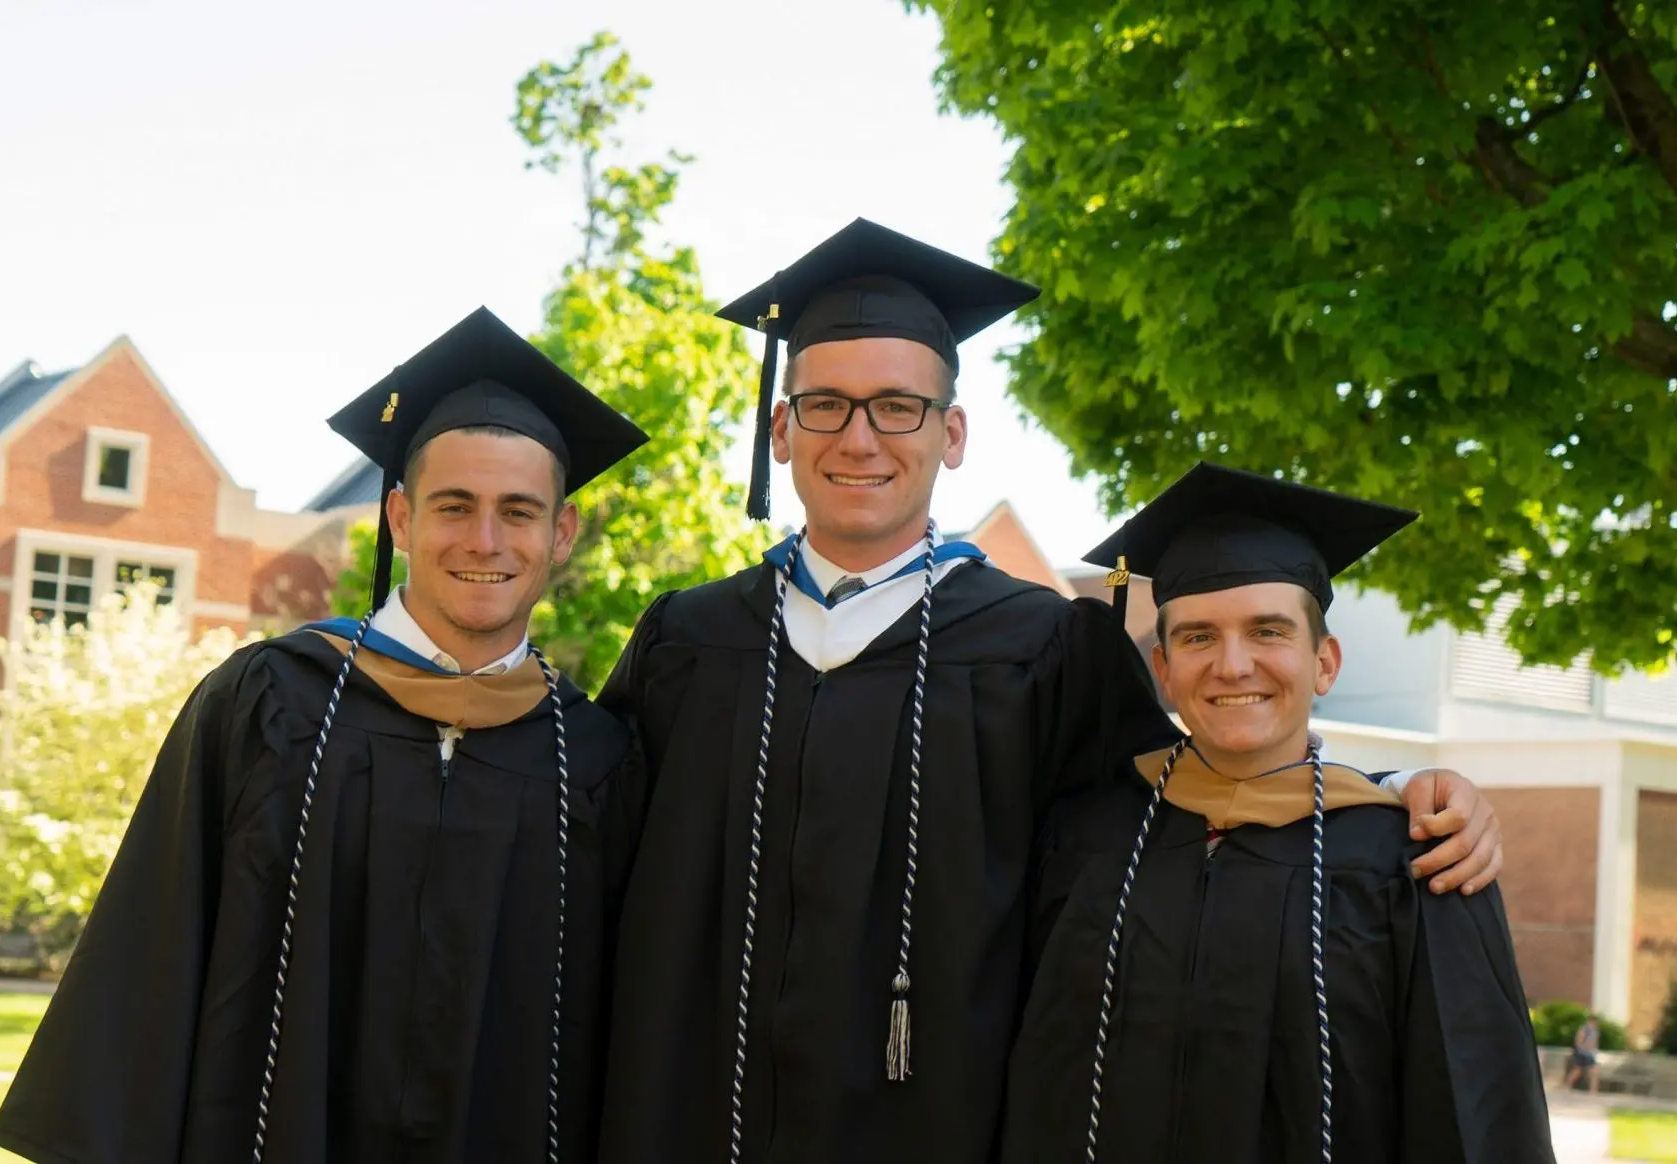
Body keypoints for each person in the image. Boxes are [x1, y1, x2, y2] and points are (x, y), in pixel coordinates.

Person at [591, 220, 1505, 1163]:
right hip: (686, 1119)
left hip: (942, 1128)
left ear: (951, 435)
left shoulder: (1044, 646)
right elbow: (580, 825)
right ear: (779, 430)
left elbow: (1193, 809)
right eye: (825, 405)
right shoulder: (687, 640)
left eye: (899, 407)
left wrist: (1389, 798)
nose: (859, 437)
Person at [0, 308, 648, 1164]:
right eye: (455, 506)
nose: (486, 540)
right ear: (401, 519)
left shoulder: (592, 761)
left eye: (518, 512)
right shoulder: (270, 704)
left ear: (561, 534)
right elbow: (149, 954)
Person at [1001, 462, 1553, 1163]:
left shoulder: (1415, 863)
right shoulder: (1081, 842)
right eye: (1198, 636)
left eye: (1267, 632)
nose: (1232, 666)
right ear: (1163, 668)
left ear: (1325, 663)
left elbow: (1477, 1116)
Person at [1567, 1014, 1604, 1092]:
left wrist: (1594, 1050)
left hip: (1589, 1054)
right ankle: (1568, 1086)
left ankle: (1593, 1090)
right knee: (1578, 1071)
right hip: (1582, 1053)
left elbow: (1594, 1043)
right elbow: (1578, 1041)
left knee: (1593, 1070)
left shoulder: (1595, 1031)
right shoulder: (1584, 1030)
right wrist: (1584, 1048)